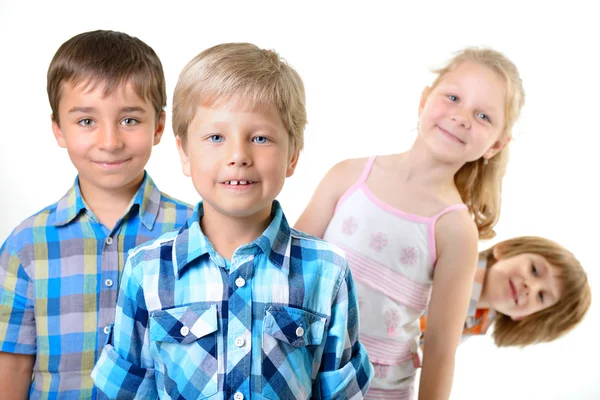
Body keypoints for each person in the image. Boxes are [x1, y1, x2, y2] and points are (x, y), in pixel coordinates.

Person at [92, 42, 373, 399]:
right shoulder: (146, 270)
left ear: (292, 156)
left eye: (260, 138)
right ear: (184, 153)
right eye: (215, 137)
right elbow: (123, 392)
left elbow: (341, 393)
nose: (238, 155)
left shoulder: (328, 270)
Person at [295, 47, 525, 399]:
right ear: (424, 101)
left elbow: (439, 351)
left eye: (483, 116)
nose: (462, 117)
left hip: (376, 389)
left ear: (496, 145)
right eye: (453, 97)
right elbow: (285, 268)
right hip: (298, 367)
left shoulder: (455, 230)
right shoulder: (350, 175)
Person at [0, 30, 193, 399]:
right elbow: (12, 368)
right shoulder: (26, 246)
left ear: (158, 126)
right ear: (58, 128)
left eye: (130, 120)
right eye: (86, 121)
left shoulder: (194, 233)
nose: (110, 141)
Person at [420, 236, 591, 348]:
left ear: (525, 316)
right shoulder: (450, 255)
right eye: (533, 270)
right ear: (505, 250)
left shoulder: (474, 325)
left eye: (541, 296)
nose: (530, 287)